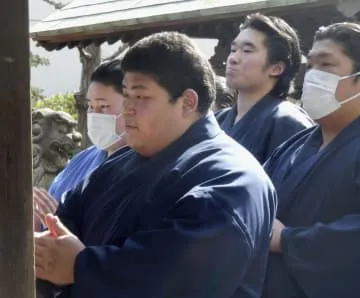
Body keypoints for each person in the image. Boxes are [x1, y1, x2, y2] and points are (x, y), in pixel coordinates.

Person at [35, 31, 276, 298]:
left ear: (187, 102)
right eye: (125, 96)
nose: (127, 108)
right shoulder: (115, 165)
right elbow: (62, 228)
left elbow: (178, 277)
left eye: (141, 97)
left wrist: (81, 267)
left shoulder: (232, 179)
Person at [262, 22, 360, 298]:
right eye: (311, 65)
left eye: (326, 66)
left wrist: (289, 241)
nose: (313, 75)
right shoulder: (295, 144)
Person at [33, 59, 128, 228]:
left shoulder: (143, 167)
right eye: (90, 106)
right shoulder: (82, 159)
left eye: (104, 106)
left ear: (131, 107)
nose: (94, 114)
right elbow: (43, 218)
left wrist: (61, 223)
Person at [217, 13, 314, 163]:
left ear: (276, 68)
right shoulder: (218, 119)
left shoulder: (288, 122)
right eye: (233, 49)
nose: (233, 59)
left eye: (247, 51)